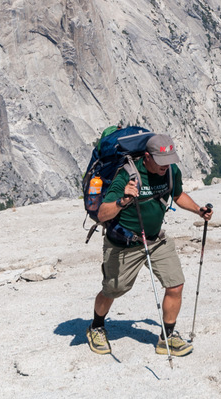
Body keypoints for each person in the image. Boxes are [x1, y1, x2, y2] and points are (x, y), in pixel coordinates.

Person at [87, 134, 212, 358]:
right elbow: (102, 213)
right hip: (123, 244)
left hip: (155, 239)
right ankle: (96, 326)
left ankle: (167, 337)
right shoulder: (128, 175)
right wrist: (122, 200)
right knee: (113, 289)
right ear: (147, 157)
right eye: (161, 162)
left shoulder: (171, 171)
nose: (166, 166)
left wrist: (198, 210)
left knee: (175, 285)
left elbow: (178, 194)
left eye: (170, 160)